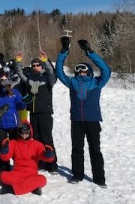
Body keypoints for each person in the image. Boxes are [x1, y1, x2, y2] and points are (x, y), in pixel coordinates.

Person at [55, 37, 111, 188]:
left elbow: (106, 70)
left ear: (90, 72)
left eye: (83, 69)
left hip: (93, 121)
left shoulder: (97, 83)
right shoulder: (72, 83)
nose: (80, 71)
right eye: (78, 69)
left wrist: (90, 52)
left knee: (95, 150)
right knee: (77, 149)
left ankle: (99, 178)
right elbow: (59, 72)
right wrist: (64, 51)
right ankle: (77, 175)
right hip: (77, 121)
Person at [14, 50, 58, 173]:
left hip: (45, 113)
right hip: (33, 113)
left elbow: (51, 73)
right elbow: (20, 73)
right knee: (37, 140)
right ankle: (41, 163)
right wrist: (18, 62)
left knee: (47, 138)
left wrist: (46, 61)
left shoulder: (48, 79)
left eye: (37, 65)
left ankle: (52, 164)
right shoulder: (30, 79)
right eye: (33, 65)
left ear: (42, 66)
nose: (35, 67)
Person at [0, 121, 55, 196]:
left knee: (43, 180)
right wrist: (4, 151)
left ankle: (11, 189)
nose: (24, 135)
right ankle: (32, 186)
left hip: (32, 174)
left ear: (30, 132)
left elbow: (46, 157)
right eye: (22, 132)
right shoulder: (13, 143)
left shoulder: (36, 144)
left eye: (26, 132)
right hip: (18, 173)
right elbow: (5, 158)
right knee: (3, 176)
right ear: (18, 132)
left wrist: (49, 155)